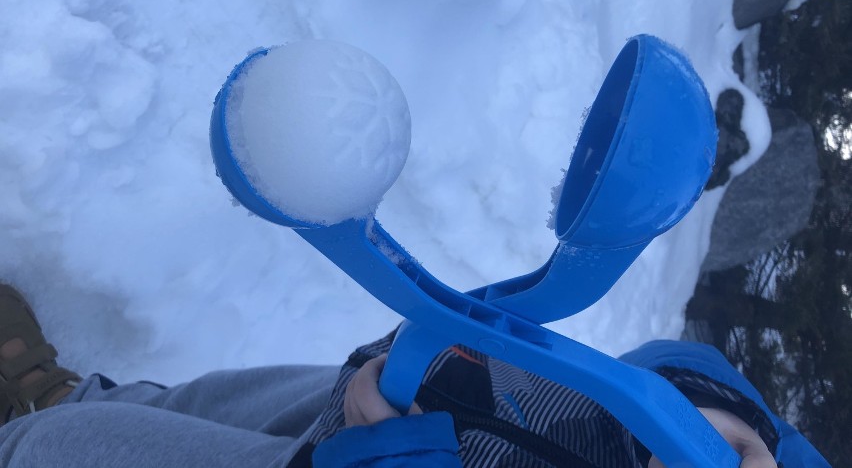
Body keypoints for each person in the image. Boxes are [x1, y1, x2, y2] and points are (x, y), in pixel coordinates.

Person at [0, 283, 828, 467]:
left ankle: (30, 417)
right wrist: (712, 411)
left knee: (61, 451)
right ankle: (66, 391)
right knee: (205, 403)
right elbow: (686, 368)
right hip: (451, 388)